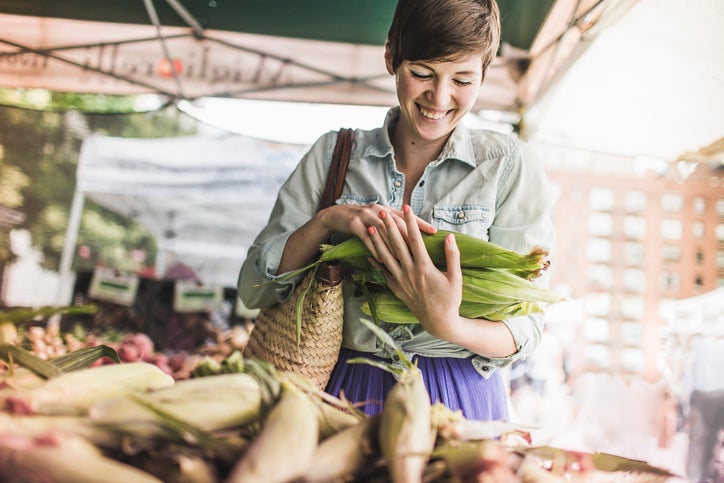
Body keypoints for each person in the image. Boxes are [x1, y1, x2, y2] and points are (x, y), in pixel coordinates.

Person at [238, 0, 555, 421]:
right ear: (391, 57)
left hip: (457, 398)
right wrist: (327, 222)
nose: (439, 98)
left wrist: (447, 325)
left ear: (485, 71)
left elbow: (528, 328)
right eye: (421, 73)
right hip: (338, 388)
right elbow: (253, 290)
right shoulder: (333, 155)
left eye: (462, 79)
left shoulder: (508, 167)